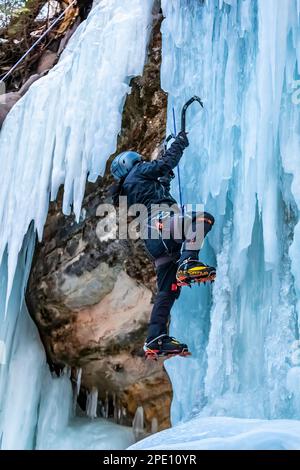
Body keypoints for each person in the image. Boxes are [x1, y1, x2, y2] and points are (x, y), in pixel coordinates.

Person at [110, 131, 215, 359]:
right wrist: (179, 144)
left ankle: (155, 338)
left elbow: (154, 192)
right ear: (132, 163)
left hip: (154, 242)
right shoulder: (138, 171)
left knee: (167, 291)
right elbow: (165, 162)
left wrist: (163, 181)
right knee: (201, 219)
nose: (142, 163)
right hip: (162, 225)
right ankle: (188, 263)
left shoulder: (129, 188)